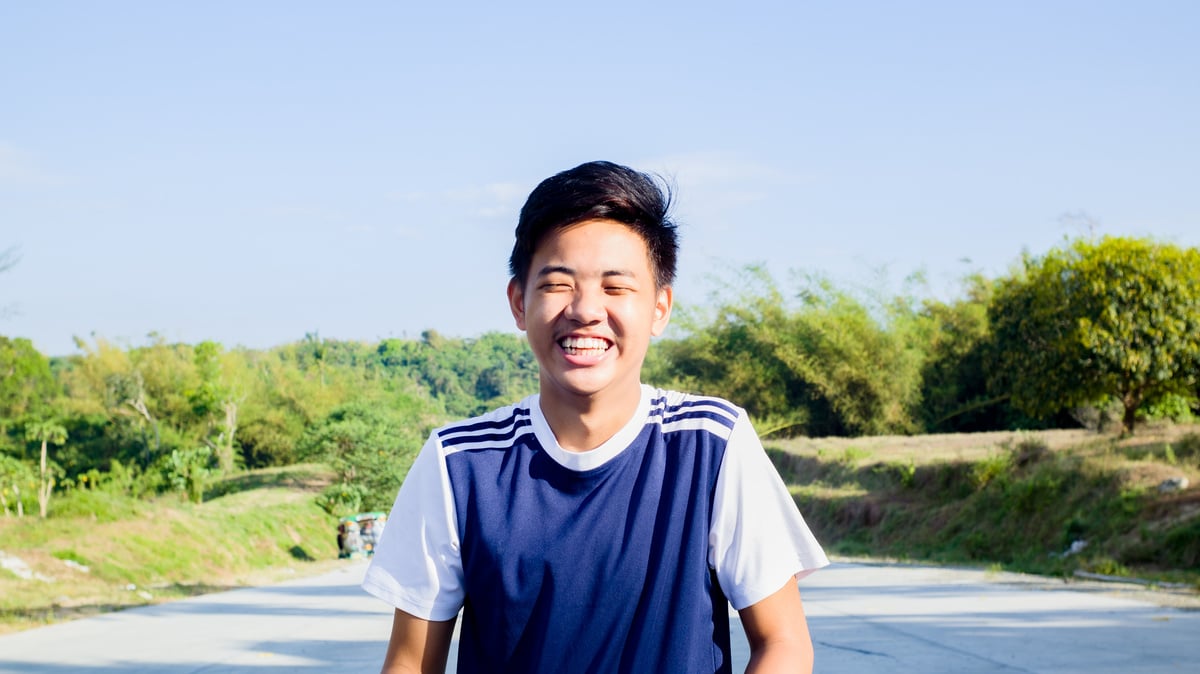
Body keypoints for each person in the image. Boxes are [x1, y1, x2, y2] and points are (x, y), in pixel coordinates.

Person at [362, 160, 828, 673]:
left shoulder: (711, 445)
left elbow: (784, 643)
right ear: (518, 303)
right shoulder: (459, 463)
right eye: (558, 283)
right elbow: (410, 663)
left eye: (615, 286)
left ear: (659, 308)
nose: (585, 310)